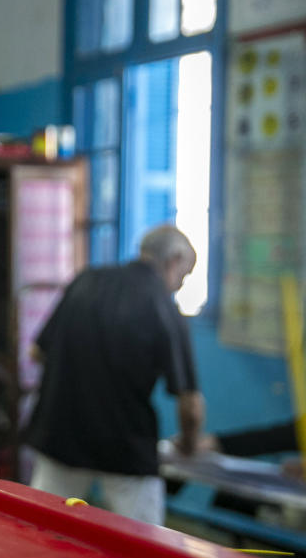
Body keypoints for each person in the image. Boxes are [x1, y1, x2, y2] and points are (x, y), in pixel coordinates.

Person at [24, 224, 205, 525]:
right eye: (183, 277)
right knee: (145, 547)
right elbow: (190, 403)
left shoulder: (86, 280)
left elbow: (37, 352)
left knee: (42, 530)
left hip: (61, 434)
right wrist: (188, 444)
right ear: (173, 260)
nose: (178, 287)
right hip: (125, 445)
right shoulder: (163, 305)